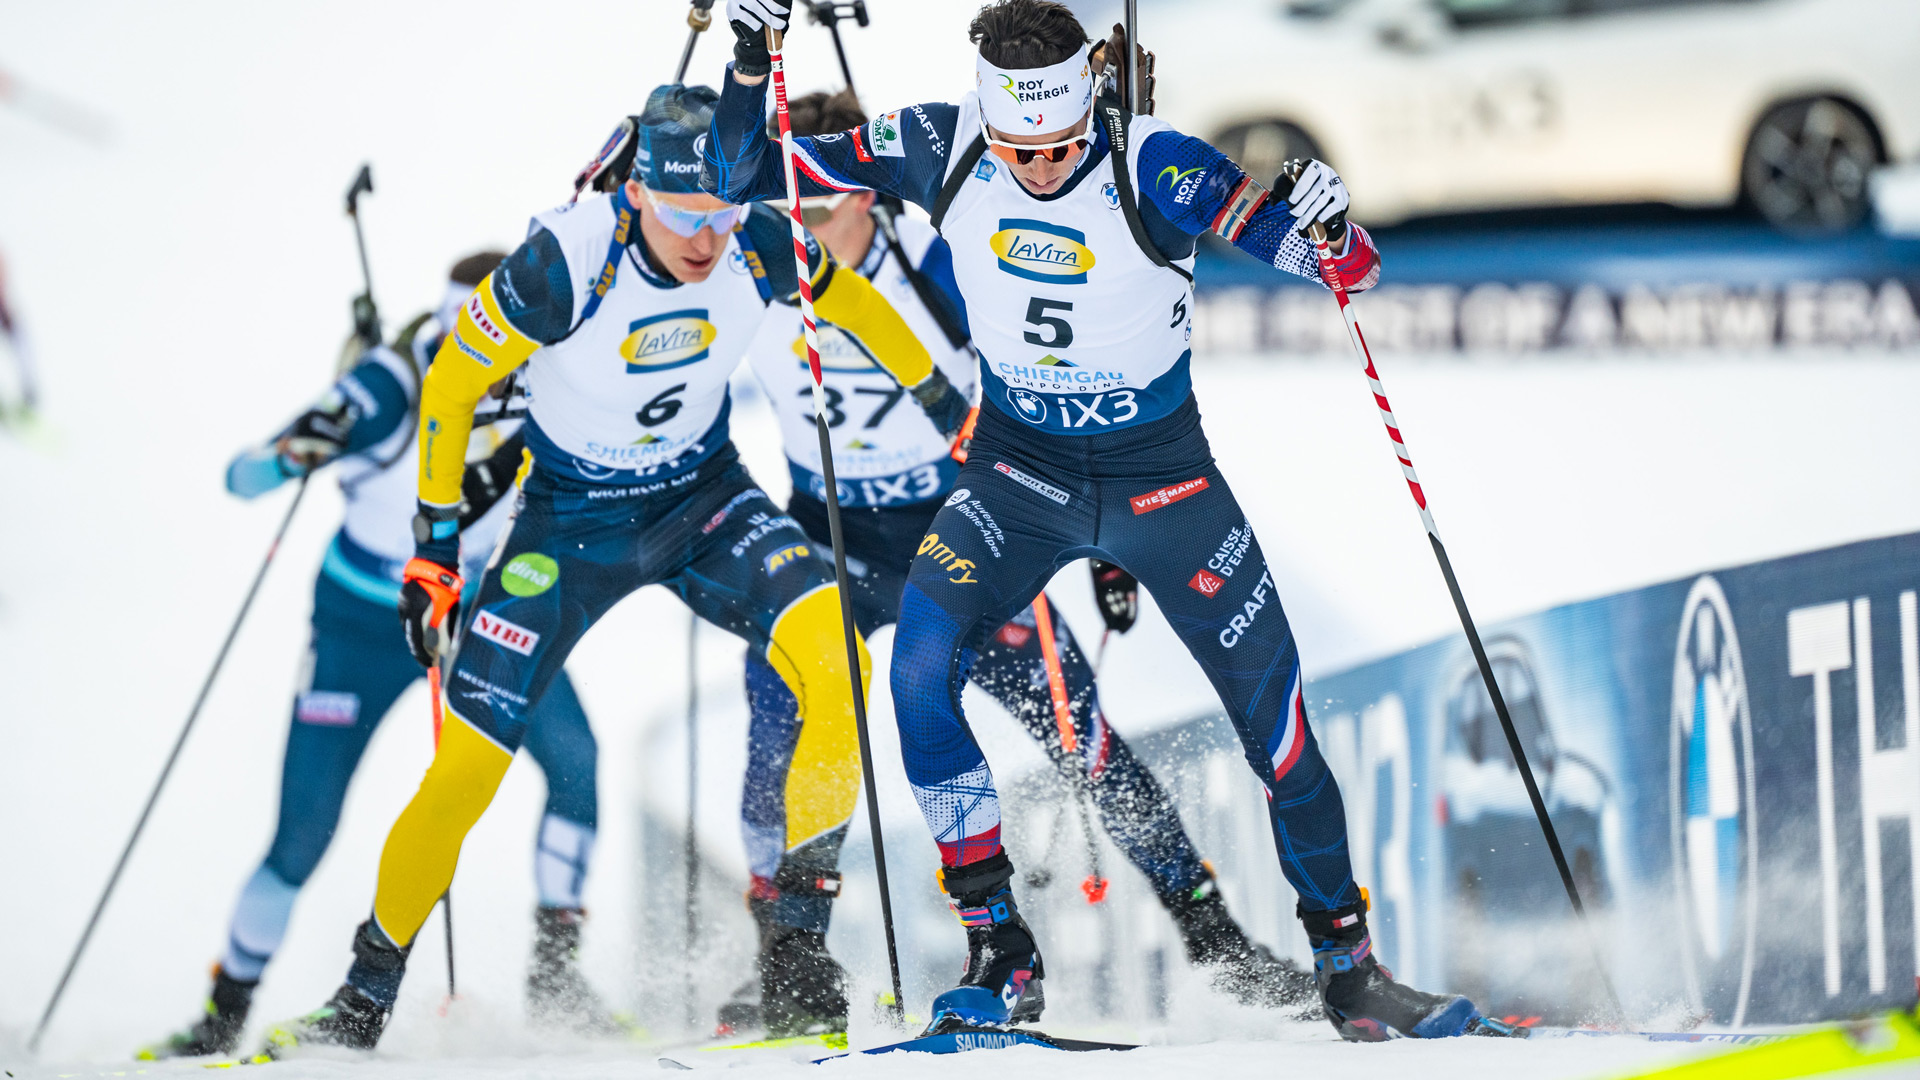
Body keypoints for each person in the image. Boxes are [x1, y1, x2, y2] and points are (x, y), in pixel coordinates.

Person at [709, 0, 1519, 1041]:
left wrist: (1328, 223)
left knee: (1277, 732)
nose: (1038, 168)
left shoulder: (1160, 164)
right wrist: (745, 57)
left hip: (1164, 486)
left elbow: (1342, 270)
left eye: (1056, 148)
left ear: (1091, 99)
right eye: (1018, 150)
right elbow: (741, 175)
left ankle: (1347, 966)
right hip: (1018, 478)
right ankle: (1000, 948)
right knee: (918, 668)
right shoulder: (939, 142)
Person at [257, 84, 953, 1055]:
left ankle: (796, 957)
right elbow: (455, 380)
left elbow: (854, 301)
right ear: (635, 199)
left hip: (702, 503)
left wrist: (940, 399)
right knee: (465, 770)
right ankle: (362, 999)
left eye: (719, 213)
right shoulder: (564, 261)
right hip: (566, 526)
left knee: (840, 663)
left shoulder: (755, 234)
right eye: (681, 217)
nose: (705, 240)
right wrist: (435, 550)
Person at [719, 89, 1313, 1038]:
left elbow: (1063, 370)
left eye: (819, 211)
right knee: (782, 724)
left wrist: (1099, 551)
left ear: (868, 201)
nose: (797, 231)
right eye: (788, 213)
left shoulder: (941, 264)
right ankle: (786, 956)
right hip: (828, 533)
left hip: (964, 527)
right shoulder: (760, 269)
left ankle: (1218, 944)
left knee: (1082, 736)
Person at [138, 254, 617, 1059]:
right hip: (365, 621)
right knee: (303, 834)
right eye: (480, 336)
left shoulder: (548, 372)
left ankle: (556, 980)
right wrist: (305, 445)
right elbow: (244, 477)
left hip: (479, 611)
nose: (501, 356)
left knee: (576, 762)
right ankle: (220, 1019)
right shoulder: (392, 383)